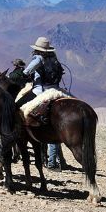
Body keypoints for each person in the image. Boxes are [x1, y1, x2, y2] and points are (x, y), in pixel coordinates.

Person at [22, 36, 66, 171]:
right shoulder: (54, 58)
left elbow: (26, 71)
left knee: (19, 105)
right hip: (57, 89)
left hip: (40, 91)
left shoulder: (38, 59)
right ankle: (58, 160)